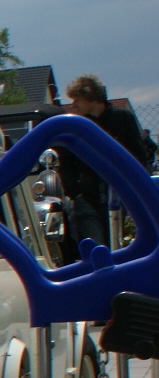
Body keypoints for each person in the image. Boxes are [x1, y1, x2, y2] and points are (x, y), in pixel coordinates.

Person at [56, 74, 155, 249]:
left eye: (77, 99)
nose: (74, 105)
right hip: (87, 194)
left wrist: (138, 184)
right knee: (94, 243)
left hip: (120, 191)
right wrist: (74, 192)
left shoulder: (122, 118)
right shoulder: (78, 123)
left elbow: (138, 154)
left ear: (90, 97)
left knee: (118, 241)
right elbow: (65, 160)